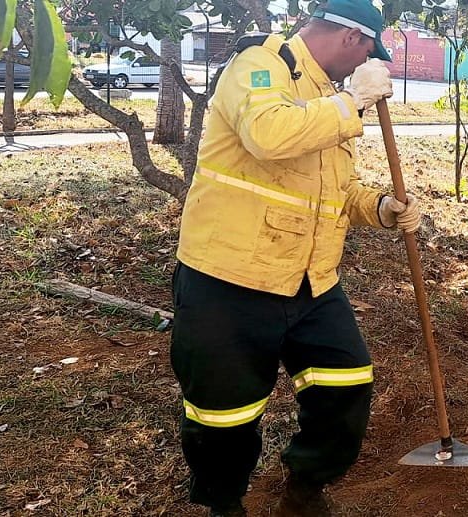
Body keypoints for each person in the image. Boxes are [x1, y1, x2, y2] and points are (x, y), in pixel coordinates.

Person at [169, 1, 421, 515]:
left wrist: (381, 208)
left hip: (311, 280)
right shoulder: (260, 66)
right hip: (231, 276)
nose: (362, 65)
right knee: (225, 414)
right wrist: (351, 101)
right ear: (353, 38)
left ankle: (306, 484)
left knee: (347, 381)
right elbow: (269, 135)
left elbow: (335, 188)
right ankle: (224, 504)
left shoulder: (329, 97)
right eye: (368, 52)